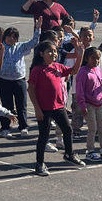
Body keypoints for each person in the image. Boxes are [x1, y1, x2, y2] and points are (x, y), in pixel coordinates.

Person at [28, 37, 85, 176]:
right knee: (44, 135)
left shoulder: (58, 67)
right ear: (41, 53)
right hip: (44, 109)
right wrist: (37, 108)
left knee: (68, 129)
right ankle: (39, 163)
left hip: (58, 107)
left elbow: (74, 70)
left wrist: (80, 54)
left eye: (55, 52)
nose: (54, 54)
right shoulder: (37, 70)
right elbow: (30, 89)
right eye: (50, 52)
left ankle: (69, 154)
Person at [0, 21, 41, 137]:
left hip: (19, 80)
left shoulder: (20, 47)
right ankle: (5, 128)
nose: (11, 39)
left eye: (14, 37)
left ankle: (23, 127)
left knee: (22, 105)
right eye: (9, 36)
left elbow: (34, 42)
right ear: (4, 37)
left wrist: (38, 29)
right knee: (6, 105)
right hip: (4, 80)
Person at [75, 48, 102, 162]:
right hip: (89, 105)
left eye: (98, 58)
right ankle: (90, 151)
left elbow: (101, 82)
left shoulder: (97, 70)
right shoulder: (82, 72)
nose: (96, 61)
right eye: (93, 58)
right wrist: (83, 106)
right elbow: (79, 92)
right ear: (86, 58)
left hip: (98, 104)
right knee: (92, 128)